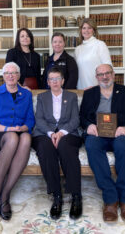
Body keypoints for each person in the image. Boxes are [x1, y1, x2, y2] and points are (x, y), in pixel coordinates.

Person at [80, 64, 125, 223]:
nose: (104, 77)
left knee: (123, 146)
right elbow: (82, 116)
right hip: (98, 134)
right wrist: (89, 125)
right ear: (96, 77)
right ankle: (111, 199)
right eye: (100, 74)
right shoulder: (90, 93)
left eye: (107, 73)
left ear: (113, 75)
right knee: (91, 145)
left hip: (119, 134)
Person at [0, 62, 35, 222]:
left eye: (14, 73)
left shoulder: (26, 94)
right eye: (7, 73)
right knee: (12, 137)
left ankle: (5, 195)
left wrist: (22, 127)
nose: (11, 75)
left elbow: (30, 120)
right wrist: (8, 129)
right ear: (3, 76)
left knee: (26, 137)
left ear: (19, 76)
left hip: (19, 133)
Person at [32, 66, 82, 220]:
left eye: (57, 79)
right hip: (44, 133)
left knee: (66, 147)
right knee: (45, 149)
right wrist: (50, 133)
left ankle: (76, 196)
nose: (54, 82)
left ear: (63, 81)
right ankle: (57, 196)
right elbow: (39, 119)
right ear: (47, 81)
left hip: (68, 133)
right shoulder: (42, 97)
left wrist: (60, 133)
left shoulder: (71, 96)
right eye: (51, 79)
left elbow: (75, 120)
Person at [74, 18, 112, 89]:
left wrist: (99, 86)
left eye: (89, 28)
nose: (86, 31)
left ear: (94, 30)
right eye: (84, 28)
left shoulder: (100, 45)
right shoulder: (77, 49)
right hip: (81, 88)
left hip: (97, 87)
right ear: (81, 30)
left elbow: (108, 68)